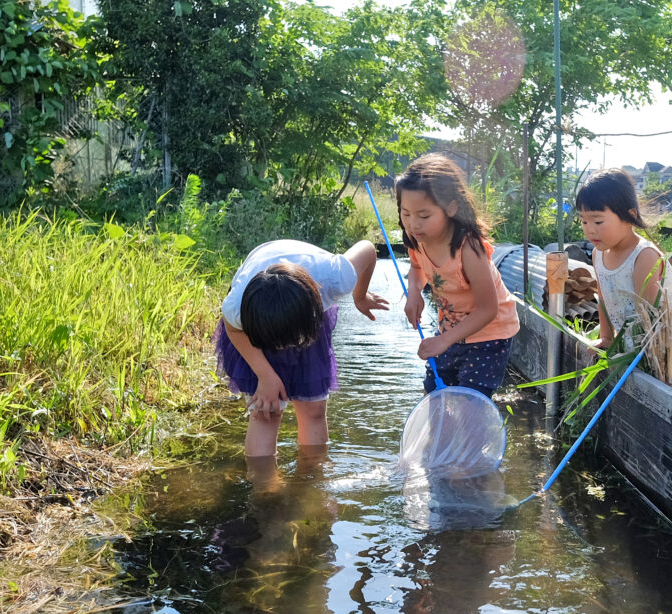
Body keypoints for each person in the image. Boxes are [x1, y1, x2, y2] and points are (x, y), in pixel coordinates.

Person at [216, 239, 388, 457]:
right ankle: (264, 486)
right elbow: (234, 330)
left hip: (302, 308)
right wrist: (265, 375)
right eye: (277, 345)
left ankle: (311, 479)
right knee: (266, 411)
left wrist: (360, 296)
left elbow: (368, 249)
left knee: (314, 410)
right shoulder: (237, 307)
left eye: (293, 341)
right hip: (262, 320)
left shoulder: (335, 278)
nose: (285, 349)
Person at [397, 154, 520, 397]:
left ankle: (476, 435)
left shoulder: (468, 248)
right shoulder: (416, 239)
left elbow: (488, 309)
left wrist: (444, 341)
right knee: (434, 393)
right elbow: (417, 268)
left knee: (469, 400)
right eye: (405, 214)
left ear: (451, 208)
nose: (413, 225)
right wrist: (414, 293)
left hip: (490, 334)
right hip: (451, 330)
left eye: (424, 215)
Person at [575, 168, 672, 355]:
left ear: (629, 217)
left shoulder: (644, 257)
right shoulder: (598, 254)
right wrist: (607, 338)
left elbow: (650, 320)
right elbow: (603, 298)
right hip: (631, 344)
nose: (590, 230)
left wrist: (637, 355)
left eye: (598, 222)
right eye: (584, 221)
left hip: (667, 348)